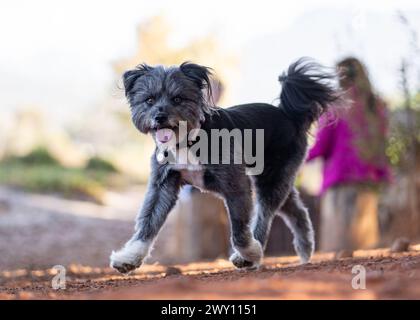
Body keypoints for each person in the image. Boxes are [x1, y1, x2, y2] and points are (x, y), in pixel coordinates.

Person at [307, 57, 391, 252]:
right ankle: (367, 282)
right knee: (368, 251)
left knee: (339, 252)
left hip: (340, 183)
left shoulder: (336, 105)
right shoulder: (376, 105)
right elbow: (382, 143)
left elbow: (321, 145)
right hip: (369, 182)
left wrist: (295, 156)